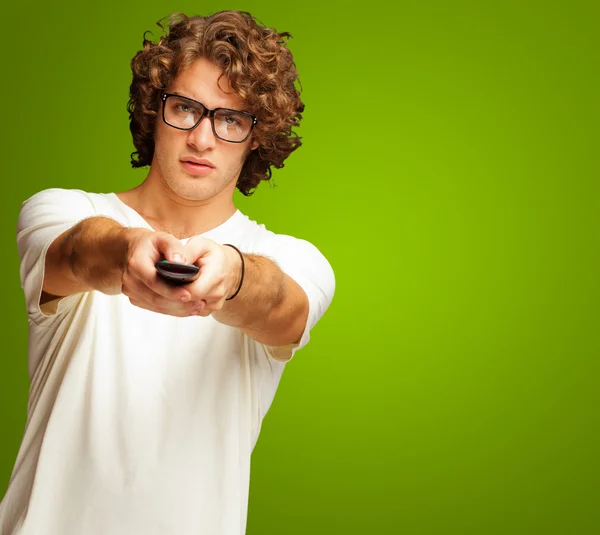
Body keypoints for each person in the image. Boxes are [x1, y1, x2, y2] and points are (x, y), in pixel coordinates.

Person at [0, 10, 335, 535]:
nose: (203, 139)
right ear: (153, 111)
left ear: (256, 137)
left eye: (230, 119)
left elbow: (278, 307)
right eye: (186, 108)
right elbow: (78, 255)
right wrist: (128, 249)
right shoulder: (57, 211)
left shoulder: (295, 260)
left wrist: (232, 275)